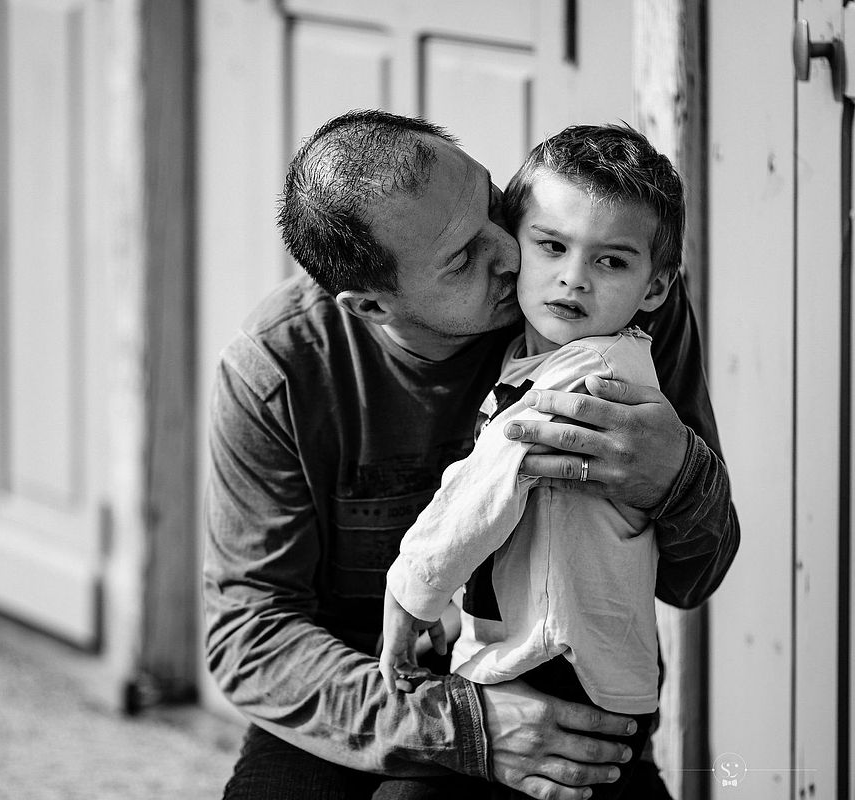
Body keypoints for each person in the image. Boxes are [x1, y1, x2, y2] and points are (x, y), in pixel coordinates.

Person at [203, 109, 738, 800]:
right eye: (461, 259)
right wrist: (460, 726)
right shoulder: (277, 370)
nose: (512, 252)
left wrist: (677, 478)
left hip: (567, 686)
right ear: (371, 307)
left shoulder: (610, 300)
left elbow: (694, 580)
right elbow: (252, 637)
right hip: (362, 683)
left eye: (492, 202)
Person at [379, 124, 691, 800]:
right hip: (535, 645)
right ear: (513, 243)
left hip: (561, 667)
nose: (574, 277)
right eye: (551, 246)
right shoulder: (533, 358)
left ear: (656, 286)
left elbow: (490, 479)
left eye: (612, 262)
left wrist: (411, 592)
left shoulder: (596, 375)